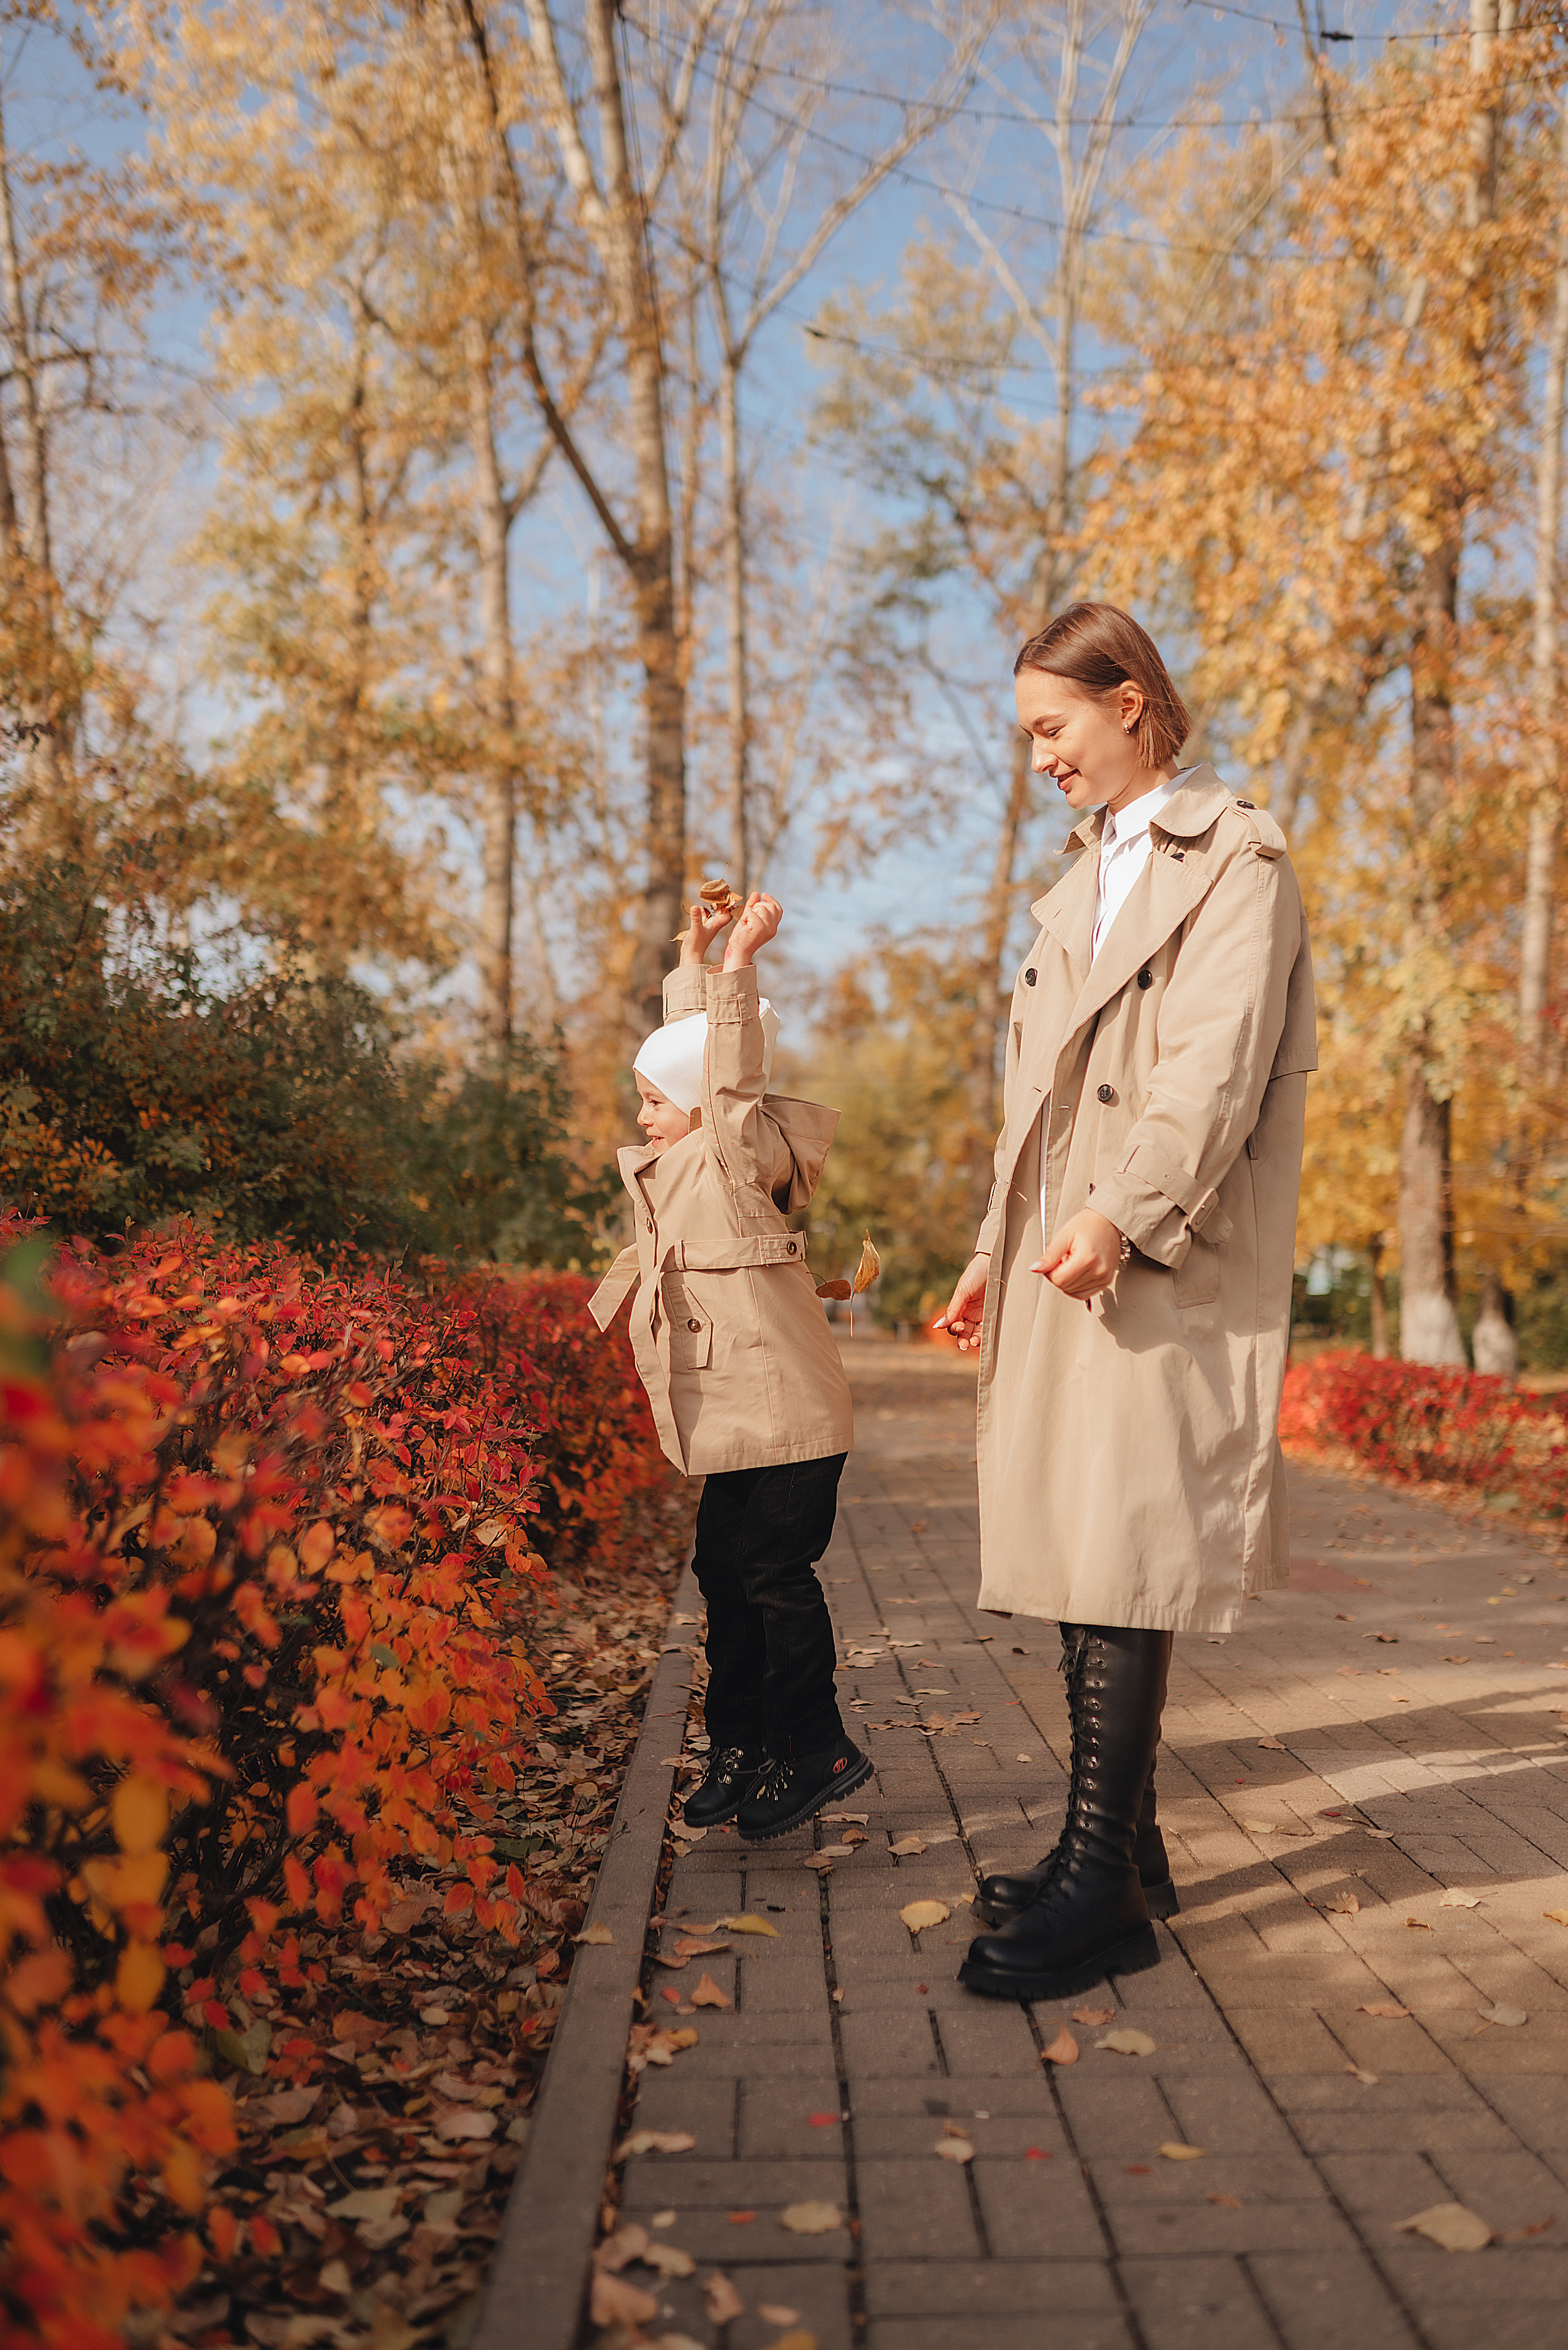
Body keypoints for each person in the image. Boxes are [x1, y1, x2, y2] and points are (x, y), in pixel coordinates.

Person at [937, 603, 1316, 2002]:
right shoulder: (1073, 883)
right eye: (1028, 734)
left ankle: (1099, 1885)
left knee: (1118, 1549)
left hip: (1153, 1245)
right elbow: (1029, 1102)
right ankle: (1127, 1849)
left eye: (1052, 726)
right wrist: (995, 1240)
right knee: (1073, 1541)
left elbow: (1213, 1069)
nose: (1037, 757)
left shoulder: (1235, 855)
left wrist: (1121, 1212)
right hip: (1062, 1251)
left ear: (1130, 701)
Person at [587, 889, 872, 1840]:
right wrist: (695, 952)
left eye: (653, 1101)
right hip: (745, 1416)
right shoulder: (686, 1152)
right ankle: (741, 1744)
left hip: (787, 1412)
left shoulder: (734, 1153)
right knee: (723, 1569)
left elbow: (726, 1072)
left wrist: (740, 966)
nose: (643, 1114)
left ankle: (816, 1746)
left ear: (703, 1104)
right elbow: (693, 1050)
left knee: (774, 1577)